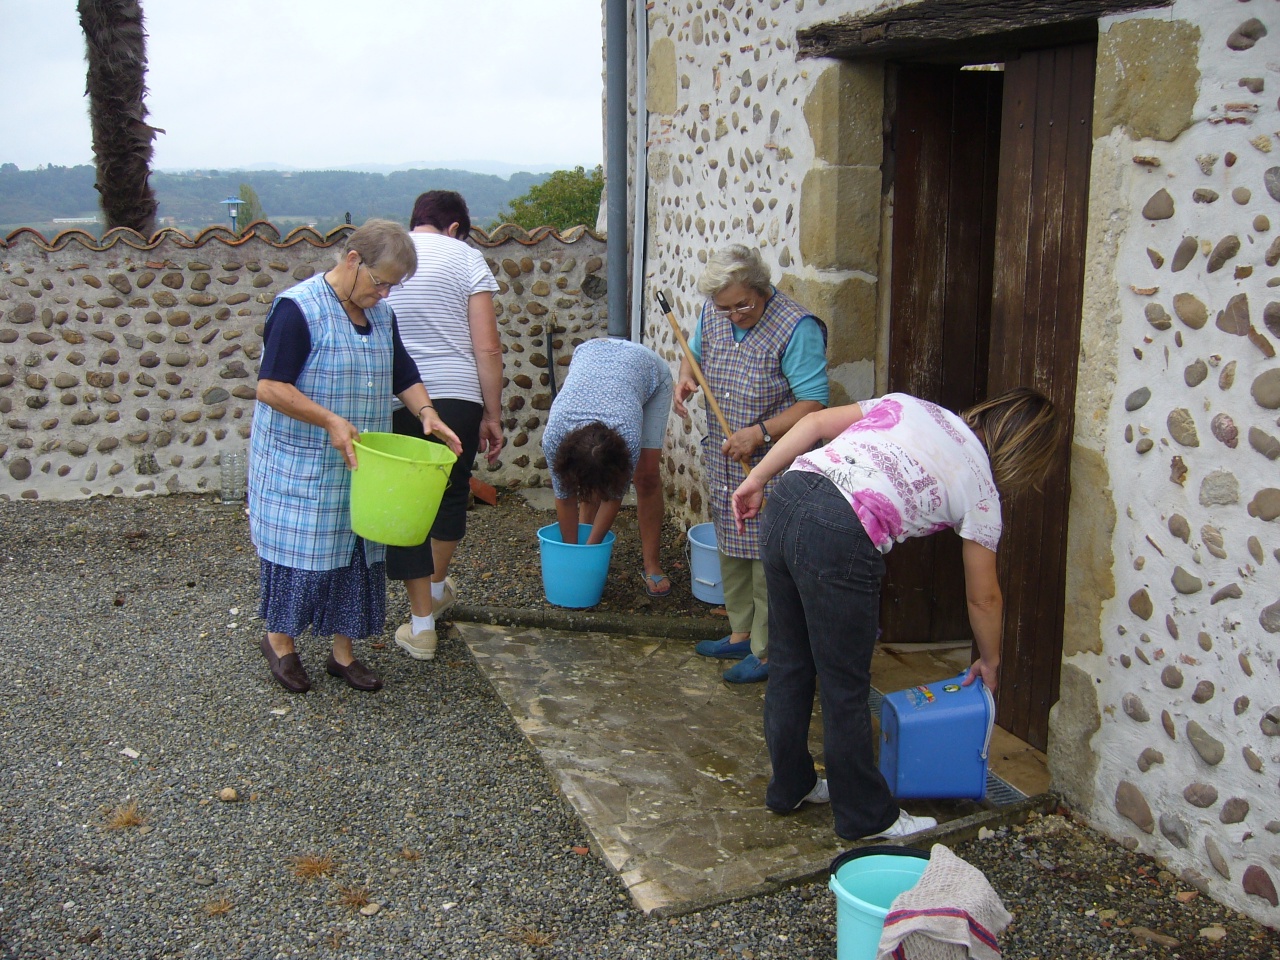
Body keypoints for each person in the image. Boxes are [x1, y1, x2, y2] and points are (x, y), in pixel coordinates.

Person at [731, 388, 1060, 840]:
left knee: (790, 664)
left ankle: (790, 786)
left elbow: (812, 425)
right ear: (1026, 453)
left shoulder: (916, 406)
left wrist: (757, 480)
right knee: (844, 686)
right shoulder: (983, 490)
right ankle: (866, 818)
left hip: (788, 494)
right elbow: (984, 597)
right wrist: (991, 659)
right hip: (840, 531)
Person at [250, 219, 462, 694]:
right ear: (352, 261)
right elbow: (269, 386)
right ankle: (279, 642)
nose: (385, 294)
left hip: (361, 464)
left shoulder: (382, 316)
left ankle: (342, 655)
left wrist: (427, 412)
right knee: (302, 554)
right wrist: (328, 419)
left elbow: (402, 371)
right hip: (301, 464)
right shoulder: (298, 309)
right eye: (380, 281)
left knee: (356, 552)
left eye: (393, 286)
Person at [673, 244, 828, 683]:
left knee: (765, 560)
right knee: (730, 547)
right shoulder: (715, 313)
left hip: (773, 462)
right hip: (724, 455)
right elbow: (694, 352)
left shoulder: (797, 328)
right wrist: (685, 375)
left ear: (762, 290)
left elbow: (814, 404)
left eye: (744, 304)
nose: (735, 314)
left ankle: (767, 652)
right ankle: (740, 633)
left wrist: (759, 432)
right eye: (726, 308)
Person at [384, 191, 503, 661]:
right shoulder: (466, 258)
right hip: (457, 395)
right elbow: (487, 349)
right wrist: (492, 415)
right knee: (451, 494)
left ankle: (420, 626)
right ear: (455, 227)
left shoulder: (390, 254)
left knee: (406, 506)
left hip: (394, 396)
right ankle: (431, 597)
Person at [541, 337, 674, 593]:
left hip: (648, 370)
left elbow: (613, 497)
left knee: (646, 476)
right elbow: (564, 497)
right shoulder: (554, 438)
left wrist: (590, 554)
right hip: (591, 353)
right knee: (590, 480)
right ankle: (581, 538)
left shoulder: (627, 438)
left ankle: (652, 565)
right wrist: (572, 556)